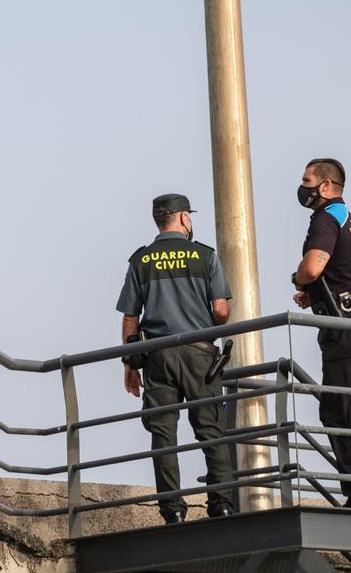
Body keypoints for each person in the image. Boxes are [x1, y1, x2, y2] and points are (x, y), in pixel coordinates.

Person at [116, 193, 236, 524]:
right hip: (200, 355)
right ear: (184, 218)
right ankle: (222, 504)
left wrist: (129, 363)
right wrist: (204, 324)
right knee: (211, 429)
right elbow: (222, 310)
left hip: (157, 357)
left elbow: (130, 318)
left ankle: (172, 511)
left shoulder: (140, 260)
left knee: (163, 433)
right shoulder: (204, 256)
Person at [290, 158, 351, 509]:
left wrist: (300, 279)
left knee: (343, 412)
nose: (303, 187)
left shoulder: (327, 218)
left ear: (326, 186)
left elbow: (313, 267)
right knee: (337, 409)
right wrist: (314, 292)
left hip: (343, 325)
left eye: (307, 180)